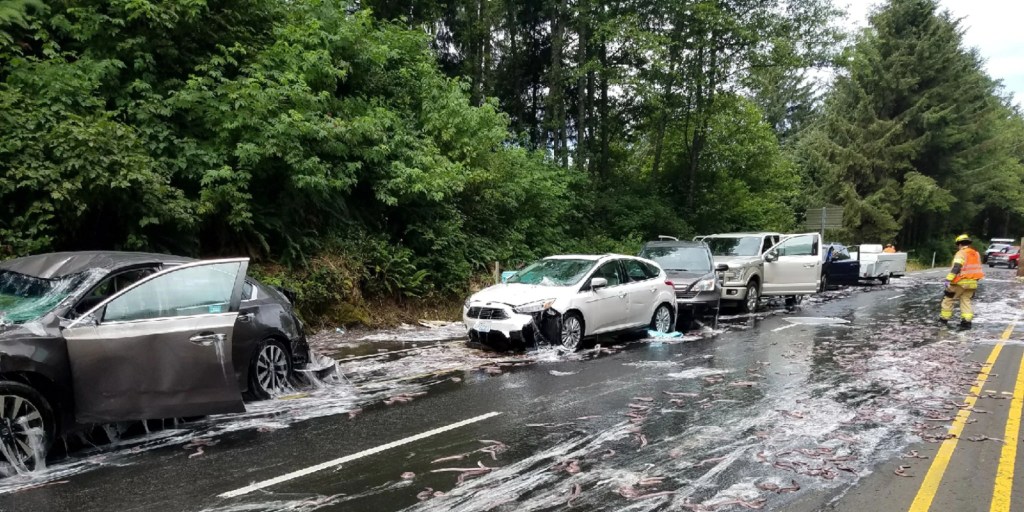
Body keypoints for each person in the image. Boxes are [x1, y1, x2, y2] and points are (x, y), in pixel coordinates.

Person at [940, 234, 985, 330]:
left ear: (959, 244)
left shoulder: (961, 253)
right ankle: (966, 322)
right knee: (966, 301)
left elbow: (957, 267)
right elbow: (977, 269)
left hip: (960, 282)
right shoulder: (976, 253)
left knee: (948, 299)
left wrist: (948, 279)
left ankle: (943, 320)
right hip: (972, 283)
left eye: (958, 245)